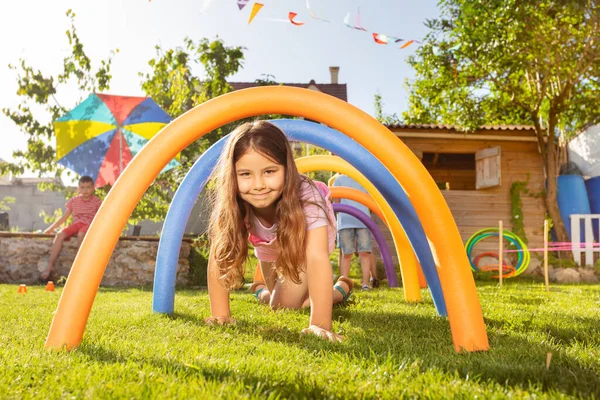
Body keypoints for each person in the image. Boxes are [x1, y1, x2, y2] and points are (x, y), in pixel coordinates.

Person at [205, 120, 353, 342]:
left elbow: (316, 257)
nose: (258, 184)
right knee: (279, 302)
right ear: (232, 175)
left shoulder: (306, 196)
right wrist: (220, 315)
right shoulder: (234, 200)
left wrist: (320, 324)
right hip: (269, 246)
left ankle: (342, 288)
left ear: (287, 168)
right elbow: (220, 255)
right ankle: (263, 290)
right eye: (245, 174)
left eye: (269, 171)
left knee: (283, 304)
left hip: (305, 244)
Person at [40, 175, 102, 281]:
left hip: (88, 225)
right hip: (76, 225)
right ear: (78, 188)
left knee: (81, 234)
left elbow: (101, 217)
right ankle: (49, 266)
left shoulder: (97, 201)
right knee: (60, 235)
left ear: (93, 188)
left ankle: (80, 268)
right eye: (82, 187)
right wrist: (51, 229)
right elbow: (64, 217)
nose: (85, 190)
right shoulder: (74, 201)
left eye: (88, 187)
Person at [332, 174, 379, 290]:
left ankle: (365, 284)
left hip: (363, 221)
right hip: (345, 221)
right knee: (347, 253)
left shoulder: (364, 180)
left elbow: (371, 201)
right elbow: (336, 204)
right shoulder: (339, 180)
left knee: (364, 252)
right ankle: (343, 285)